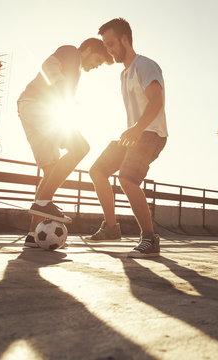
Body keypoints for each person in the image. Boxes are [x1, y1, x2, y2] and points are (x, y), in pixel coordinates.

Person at [17, 38, 113, 248]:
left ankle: (33, 235)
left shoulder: (76, 67)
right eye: (98, 60)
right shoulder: (72, 53)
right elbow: (48, 66)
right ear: (87, 49)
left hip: (32, 108)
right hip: (38, 107)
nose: (96, 66)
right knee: (81, 147)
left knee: (51, 170)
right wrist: (63, 90)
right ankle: (43, 203)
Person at [85, 18, 168, 258]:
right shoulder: (123, 74)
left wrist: (138, 128)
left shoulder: (145, 65)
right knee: (97, 171)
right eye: (106, 45)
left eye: (111, 44)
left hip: (152, 133)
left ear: (125, 40)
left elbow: (157, 101)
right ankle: (111, 228)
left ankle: (150, 239)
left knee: (127, 179)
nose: (108, 50)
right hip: (135, 134)